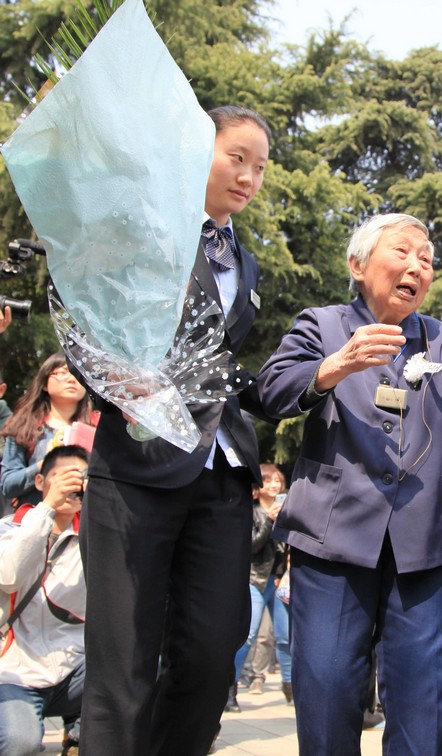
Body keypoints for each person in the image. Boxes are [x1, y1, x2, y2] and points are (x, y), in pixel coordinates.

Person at [257, 213, 442, 755]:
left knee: (422, 697)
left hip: (426, 544)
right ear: (357, 264)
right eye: (403, 252)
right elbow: (271, 390)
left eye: (427, 259)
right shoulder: (322, 325)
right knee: (326, 689)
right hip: (333, 537)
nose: (417, 266)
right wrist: (336, 366)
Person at [78, 105, 270, 755]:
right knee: (123, 663)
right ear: (193, 150)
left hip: (221, 471)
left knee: (213, 653)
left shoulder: (248, 263)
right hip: (137, 466)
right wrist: (117, 383)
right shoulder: (139, 231)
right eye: (236, 158)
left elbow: (227, 369)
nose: (248, 177)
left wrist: (318, 377)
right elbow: (85, 321)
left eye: (259, 168)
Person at [0, 444, 89, 756]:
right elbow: (9, 575)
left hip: (73, 671)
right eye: (62, 477)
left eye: (79, 477)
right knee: (19, 744)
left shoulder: (94, 535)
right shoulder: (9, 528)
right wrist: (48, 507)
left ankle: (79, 733)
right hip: (15, 674)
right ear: (39, 482)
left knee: (144, 664)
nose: (71, 484)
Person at [226, 463, 291, 712]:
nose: (275, 485)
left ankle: (290, 685)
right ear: (259, 485)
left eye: (278, 480)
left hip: (278, 581)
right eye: (269, 480)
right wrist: (269, 521)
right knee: (248, 635)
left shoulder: (287, 512)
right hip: (255, 579)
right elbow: (252, 546)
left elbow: (287, 548)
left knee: (285, 637)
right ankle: (229, 688)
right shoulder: (252, 512)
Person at [2, 353, 95, 512]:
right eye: (62, 372)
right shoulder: (24, 427)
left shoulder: (98, 429)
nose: (72, 379)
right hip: (33, 517)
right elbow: (8, 485)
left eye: (78, 374)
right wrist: (46, 463)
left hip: (80, 522)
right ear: (45, 383)